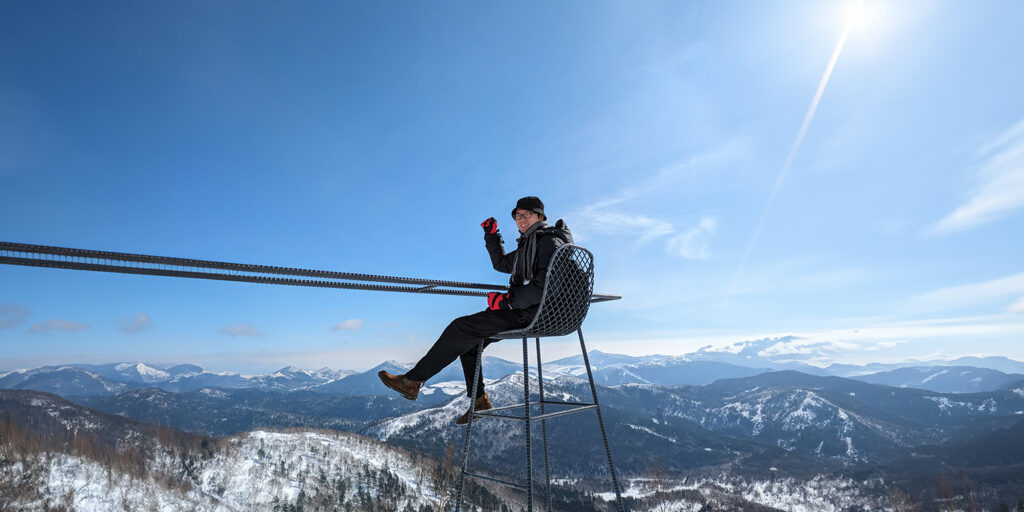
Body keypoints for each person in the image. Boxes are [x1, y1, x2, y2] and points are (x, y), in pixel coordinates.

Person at [378, 196, 573, 424]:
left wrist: (507, 301)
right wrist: (492, 236)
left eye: (526, 215)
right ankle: (479, 402)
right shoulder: (531, 244)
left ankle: (411, 382)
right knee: (469, 342)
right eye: (517, 216)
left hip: (535, 313)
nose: (520, 220)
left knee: (461, 327)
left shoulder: (548, 243)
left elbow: (545, 289)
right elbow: (501, 264)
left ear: (540, 216)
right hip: (534, 311)